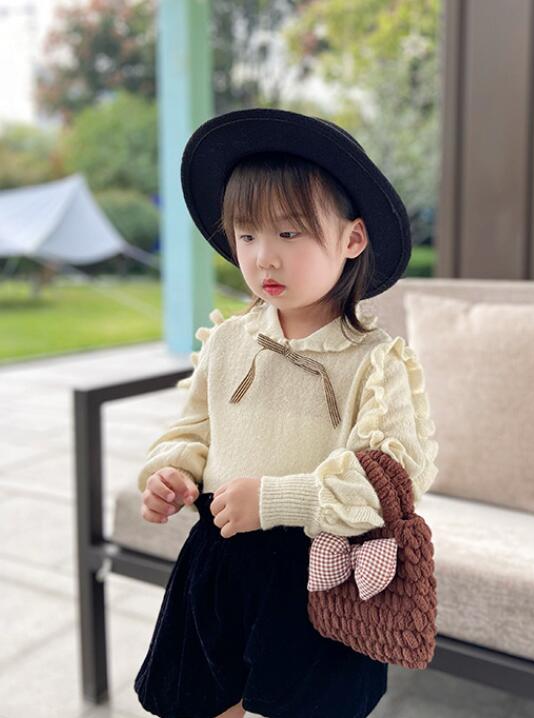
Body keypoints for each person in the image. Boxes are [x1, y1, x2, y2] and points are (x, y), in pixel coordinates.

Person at [132, 108, 440, 718]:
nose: (264, 258)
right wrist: (172, 472)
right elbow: (193, 427)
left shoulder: (375, 363)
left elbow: (391, 486)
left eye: (290, 233)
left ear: (352, 239)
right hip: (219, 555)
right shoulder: (228, 342)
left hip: (321, 569)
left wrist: (275, 500)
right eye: (247, 235)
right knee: (202, 699)